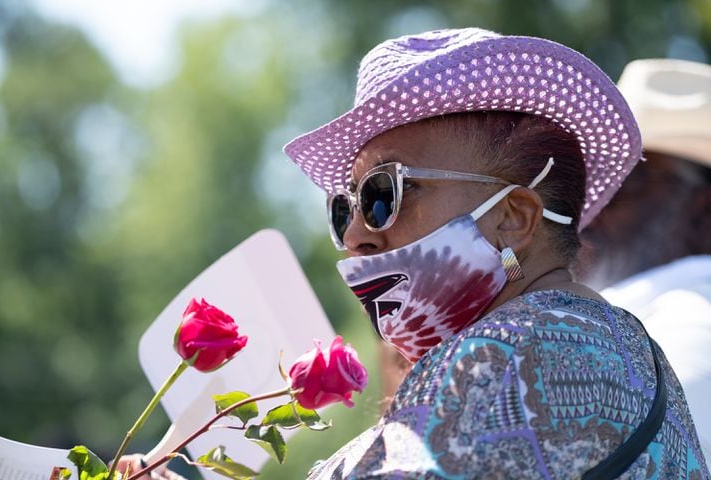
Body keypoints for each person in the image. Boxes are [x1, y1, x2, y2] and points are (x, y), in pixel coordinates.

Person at [281, 27, 708, 479]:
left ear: (513, 217)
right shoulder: (635, 352)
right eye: (344, 209)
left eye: (383, 194)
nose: (355, 237)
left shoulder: (504, 355)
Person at [576, 58, 711, 467]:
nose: (588, 207)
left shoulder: (687, 325)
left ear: (703, 211)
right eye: (587, 183)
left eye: (621, 185)